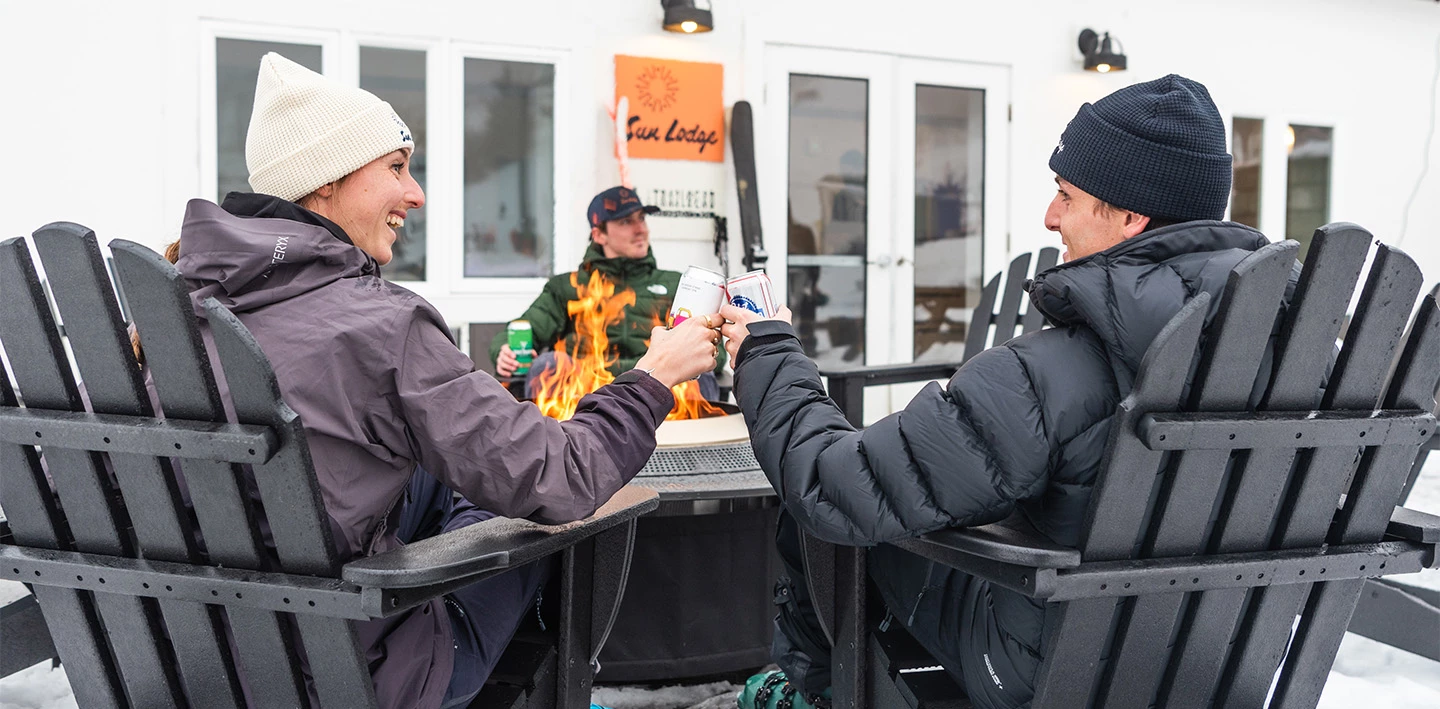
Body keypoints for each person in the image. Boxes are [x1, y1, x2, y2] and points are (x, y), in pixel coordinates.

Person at [166, 53, 722, 709]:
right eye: (396, 168)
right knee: (521, 506)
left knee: (448, 469)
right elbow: (563, 478)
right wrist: (655, 376)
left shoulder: (174, 316)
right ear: (325, 185)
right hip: (352, 674)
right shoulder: (377, 326)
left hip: (187, 656)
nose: (417, 193)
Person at [721, 75, 1283, 709]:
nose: (1050, 217)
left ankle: (812, 694)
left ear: (1131, 216)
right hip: (1216, 658)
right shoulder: (1284, 354)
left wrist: (768, 353)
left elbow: (832, 485)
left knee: (826, 523)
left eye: (1066, 196)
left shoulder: (1058, 370)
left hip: (1050, 667)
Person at [490, 186, 727, 400]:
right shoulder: (567, 286)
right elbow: (523, 329)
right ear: (599, 234)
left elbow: (715, 355)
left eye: (642, 219)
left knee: (700, 374)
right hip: (583, 393)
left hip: (656, 388)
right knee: (548, 365)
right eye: (625, 222)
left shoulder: (678, 285)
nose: (640, 230)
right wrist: (504, 351)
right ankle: (556, 448)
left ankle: (693, 448)